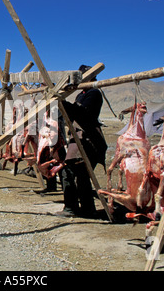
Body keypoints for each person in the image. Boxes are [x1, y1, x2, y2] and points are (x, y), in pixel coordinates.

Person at [57, 65, 108, 218]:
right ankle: (85, 209)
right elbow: (73, 114)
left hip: (89, 139)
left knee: (73, 172)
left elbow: (83, 114)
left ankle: (74, 208)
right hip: (77, 138)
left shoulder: (94, 93)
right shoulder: (81, 94)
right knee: (81, 174)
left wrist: (63, 103)